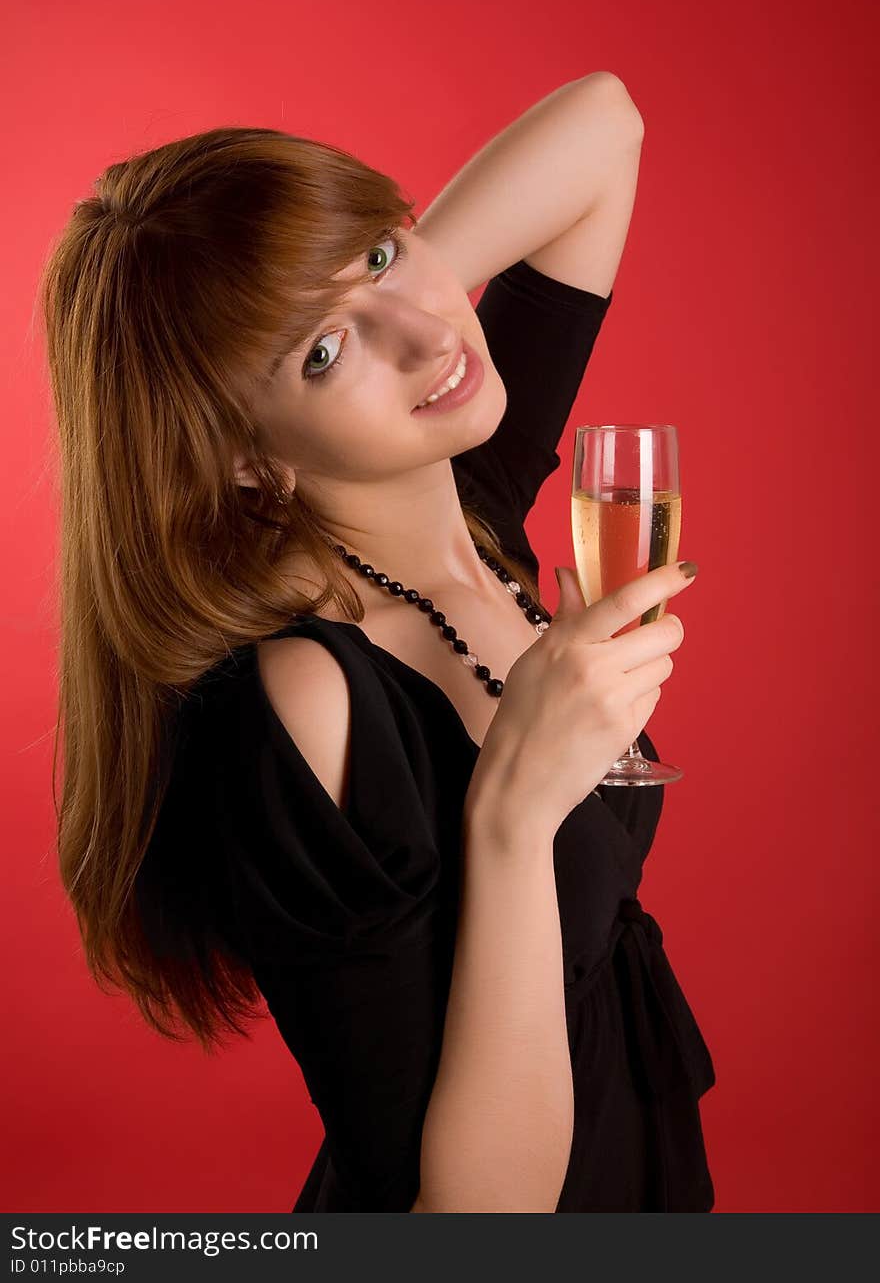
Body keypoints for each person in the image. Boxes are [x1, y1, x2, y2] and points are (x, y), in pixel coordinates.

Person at [40, 110, 715, 1214]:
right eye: (319, 354)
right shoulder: (308, 698)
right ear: (247, 461)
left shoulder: (471, 499)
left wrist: (348, 290)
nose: (422, 335)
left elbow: (605, 126)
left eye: (384, 252)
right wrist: (513, 812)